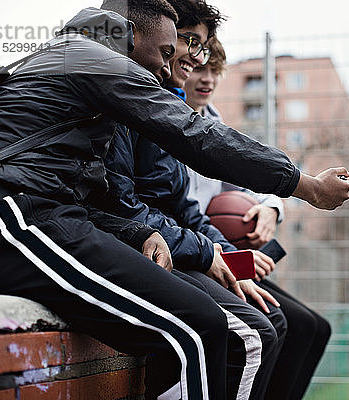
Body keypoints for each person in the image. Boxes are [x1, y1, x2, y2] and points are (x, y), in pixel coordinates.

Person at [0, 1, 349, 400]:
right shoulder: (90, 57)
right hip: (8, 215)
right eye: (165, 53)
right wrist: (304, 184)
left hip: (48, 215)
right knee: (207, 330)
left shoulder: (87, 87)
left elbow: (90, 198)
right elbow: (196, 136)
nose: (166, 67)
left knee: (207, 323)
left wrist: (138, 233)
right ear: (129, 37)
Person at [99, 1, 287, 398]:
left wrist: (228, 254)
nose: (197, 61)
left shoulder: (171, 108)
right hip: (144, 247)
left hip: (177, 244)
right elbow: (123, 206)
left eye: (205, 52)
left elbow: (185, 207)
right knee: (254, 335)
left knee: (275, 322)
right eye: (189, 45)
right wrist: (209, 252)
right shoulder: (127, 102)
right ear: (157, 39)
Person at [184, 38, 332, 400]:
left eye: (215, 71)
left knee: (317, 327)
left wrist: (271, 208)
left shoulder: (213, 125)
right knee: (278, 325)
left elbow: (248, 186)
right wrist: (224, 252)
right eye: (200, 68)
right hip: (198, 251)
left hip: (217, 247)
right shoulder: (169, 126)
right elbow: (177, 208)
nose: (208, 79)